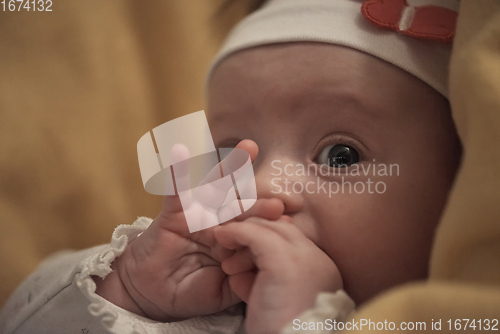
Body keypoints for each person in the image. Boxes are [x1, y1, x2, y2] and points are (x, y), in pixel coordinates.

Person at [0, 0, 463, 333]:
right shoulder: (196, 306)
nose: (260, 185)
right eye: (230, 157)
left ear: (462, 190)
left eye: (340, 156)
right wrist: (131, 294)